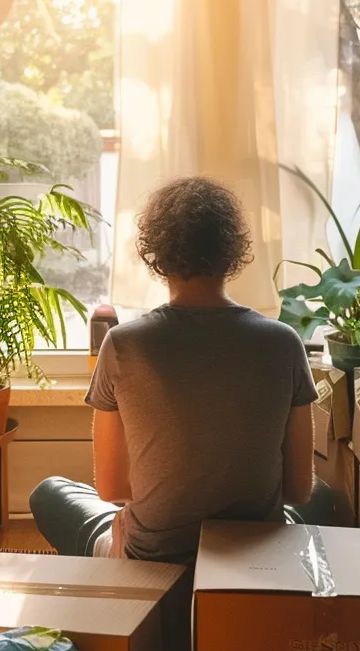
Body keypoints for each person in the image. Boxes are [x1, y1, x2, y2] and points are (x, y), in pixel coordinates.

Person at [29, 176, 321, 565]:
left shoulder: (124, 345)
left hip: (156, 562)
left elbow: (113, 487)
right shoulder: (283, 342)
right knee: (327, 497)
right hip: (255, 562)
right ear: (231, 252)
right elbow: (300, 490)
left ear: (157, 254)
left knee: (49, 492)